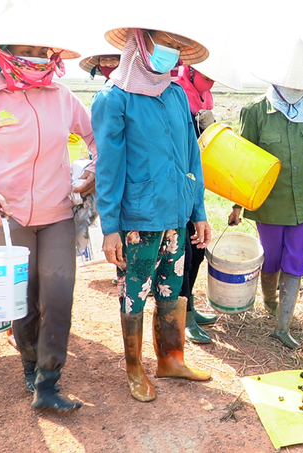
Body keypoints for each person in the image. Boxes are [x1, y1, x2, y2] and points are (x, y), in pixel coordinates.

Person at [0, 28, 96, 413]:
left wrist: (96, 169)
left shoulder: (62, 96)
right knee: (23, 299)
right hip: (8, 217)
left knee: (58, 294)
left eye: (40, 50)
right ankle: (29, 365)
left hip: (57, 214)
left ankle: (48, 381)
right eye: (25, 50)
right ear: (3, 52)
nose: (35, 57)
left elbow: (95, 137)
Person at [91, 23, 212, 403]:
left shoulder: (175, 93)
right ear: (142, 43)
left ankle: (171, 359)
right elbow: (107, 168)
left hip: (176, 212)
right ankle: (133, 368)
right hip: (138, 220)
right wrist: (110, 226)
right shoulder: (114, 99)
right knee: (135, 291)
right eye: (166, 43)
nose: (172, 52)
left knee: (171, 287)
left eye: (178, 46)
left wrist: (199, 210)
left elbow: (191, 154)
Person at [228, 39, 303, 349]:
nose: (296, 88)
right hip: (269, 204)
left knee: (297, 262)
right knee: (271, 259)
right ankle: (269, 303)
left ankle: (282, 326)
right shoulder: (256, 111)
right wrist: (237, 204)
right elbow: (243, 162)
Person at [173, 52, 242, 344]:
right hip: (177, 181)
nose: (210, 83)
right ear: (190, 71)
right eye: (206, 76)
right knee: (185, 254)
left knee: (199, 249)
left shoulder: (204, 97)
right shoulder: (176, 92)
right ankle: (182, 318)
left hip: (194, 182)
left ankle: (188, 306)